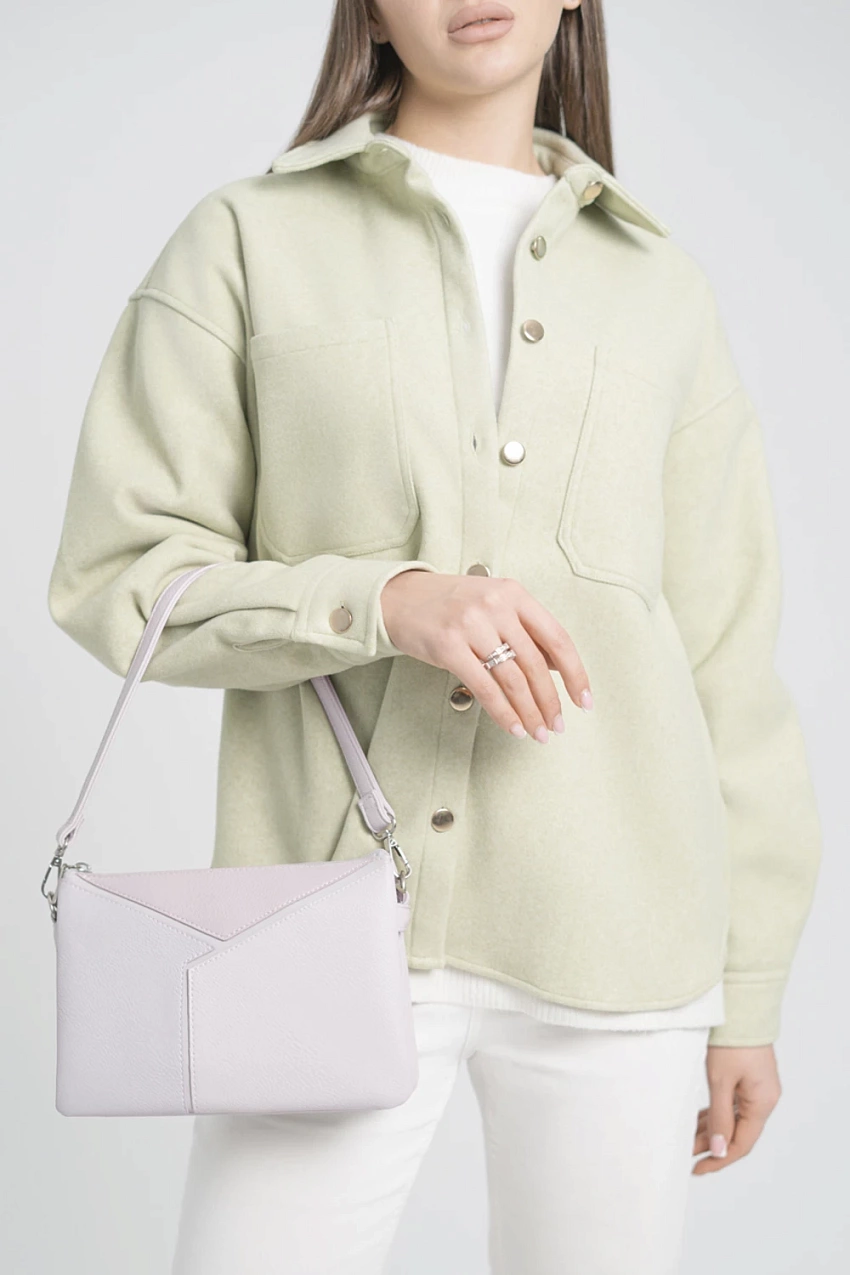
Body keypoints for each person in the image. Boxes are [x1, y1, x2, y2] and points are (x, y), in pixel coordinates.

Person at [46, 2, 822, 1272]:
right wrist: (381, 599)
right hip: (314, 930)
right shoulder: (246, 239)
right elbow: (122, 579)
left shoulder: (661, 289)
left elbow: (728, 663)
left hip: (625, 941)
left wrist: (748, 991)